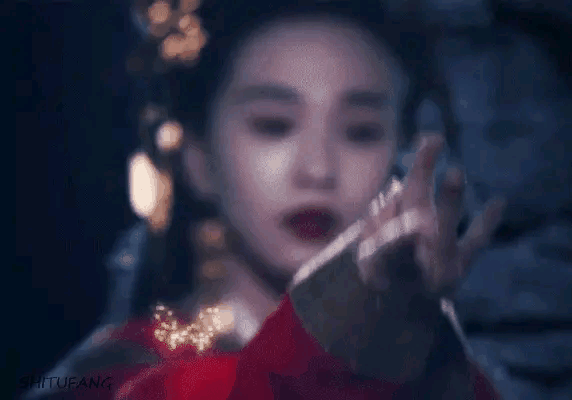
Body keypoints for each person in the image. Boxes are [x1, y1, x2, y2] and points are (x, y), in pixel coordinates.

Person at [26, 1, 505, 399]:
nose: (318, 169)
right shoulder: (111, 378)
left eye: (361, 131)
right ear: (197, 157)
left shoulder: (437, 371)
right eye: (273, 125)